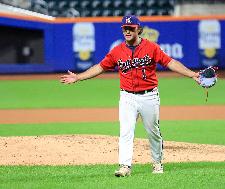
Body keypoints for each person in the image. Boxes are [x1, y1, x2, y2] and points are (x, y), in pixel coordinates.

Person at [60, 15, 200, 177]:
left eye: (130, 28)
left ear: (138, 29)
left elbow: (170, 62)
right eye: (124, 28)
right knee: (126, 131)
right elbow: (100, 67)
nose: (127, 31)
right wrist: (78, 77)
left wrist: (192, 74)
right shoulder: (117, 51)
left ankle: (157, 162)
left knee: (153, 131)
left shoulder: (151, 47)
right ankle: (125, 166)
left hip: (149, 96)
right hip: (127, 97)